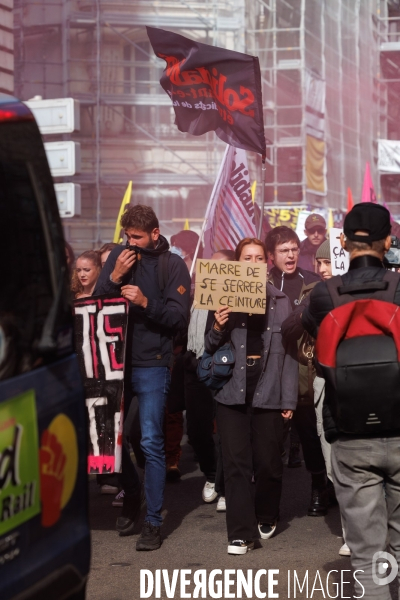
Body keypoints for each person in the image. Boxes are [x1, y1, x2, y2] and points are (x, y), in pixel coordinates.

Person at [302, 203, 400, 598]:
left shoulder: (325, 296)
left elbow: (310, 332)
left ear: (342, 242)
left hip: (349, 432)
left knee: (367, 556)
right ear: (388, 242)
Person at [94, 204, 190, 551]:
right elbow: (98, 304)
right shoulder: (119, 256)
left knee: (149, 440)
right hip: (115, 363)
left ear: (154, 233)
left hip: (153, 362)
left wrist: (147, 302)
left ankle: (152, 521)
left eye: (136, 237)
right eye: (126, 236)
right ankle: (133, 493)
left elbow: (179, 320)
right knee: (114, 441)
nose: (129, 243)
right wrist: (114, 276)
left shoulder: (172, 265)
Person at [204, 237, 298, 555]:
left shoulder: (281, 300)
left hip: (269, 392)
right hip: (231, 392)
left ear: (266, 263)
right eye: (247, 258)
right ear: (238, 263)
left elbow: (288, 355)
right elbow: (208, 347)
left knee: (269, 463)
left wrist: (288, 400)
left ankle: (267, 513)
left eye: (259, 258)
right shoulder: (221, 297)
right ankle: (240, 534)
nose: (253, 263)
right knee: (235, 464)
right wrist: (217, 326)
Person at [266, 226, 329, 517]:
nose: (290, 255)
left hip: (305, 370)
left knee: (310, 436)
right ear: (271, 256)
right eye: (283, 250)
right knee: (269, 441)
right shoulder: (260, 283)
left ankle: (319, 488)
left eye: (293, 249)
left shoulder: (315, 283)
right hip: (270, 372)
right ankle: (266, 502)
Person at [184, 248, 235, 510]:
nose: (212, 270)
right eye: (209, 265)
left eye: (220, 266)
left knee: (225, 432)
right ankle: (211, 474)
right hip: (196, 369)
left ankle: (226, 485)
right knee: (196, 431)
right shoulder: (195, 295)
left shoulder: (237, 298)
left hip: (223, 371)